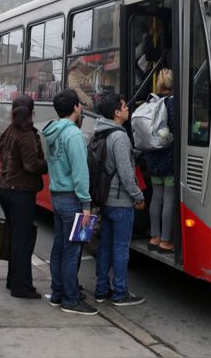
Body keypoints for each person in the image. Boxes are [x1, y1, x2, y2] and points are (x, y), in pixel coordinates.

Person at [42, 89, 97, 315]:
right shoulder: (73, 135)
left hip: (56, 195)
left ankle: (58, 293)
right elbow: (80, 173)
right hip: (72, 198)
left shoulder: (53, 131)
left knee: (59, 248)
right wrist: (86, 204)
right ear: (76, 107)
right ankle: (71, 299)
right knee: (72, 251)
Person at [92, 91, 146, 306]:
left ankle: (101, 289)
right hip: (121, 202)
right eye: (124, 107)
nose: (127, 109)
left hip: (105, 200)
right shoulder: (119, 136)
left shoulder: (100, 132)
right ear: (116, 112)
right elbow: (126, 173)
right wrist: (138, 196)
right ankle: (120, 293)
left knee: (104, 246)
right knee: (121, 248)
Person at [0, 94, 47, 299]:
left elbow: (2, 155)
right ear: (32, 112)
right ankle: (21, 286)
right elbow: (32, 165)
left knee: (15, 236)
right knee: (21, 240)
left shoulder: (8, 131)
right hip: (21, 191)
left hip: (6, 187)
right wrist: (50, 163)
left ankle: (13, 280)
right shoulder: (26, 134)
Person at [145, 69, 175, 253]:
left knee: (156, 198)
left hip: (152, 156)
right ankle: (165, 241)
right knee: (169, 199)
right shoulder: (172, 104)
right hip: (168, 156)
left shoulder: (152, 102)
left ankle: (154, 237)